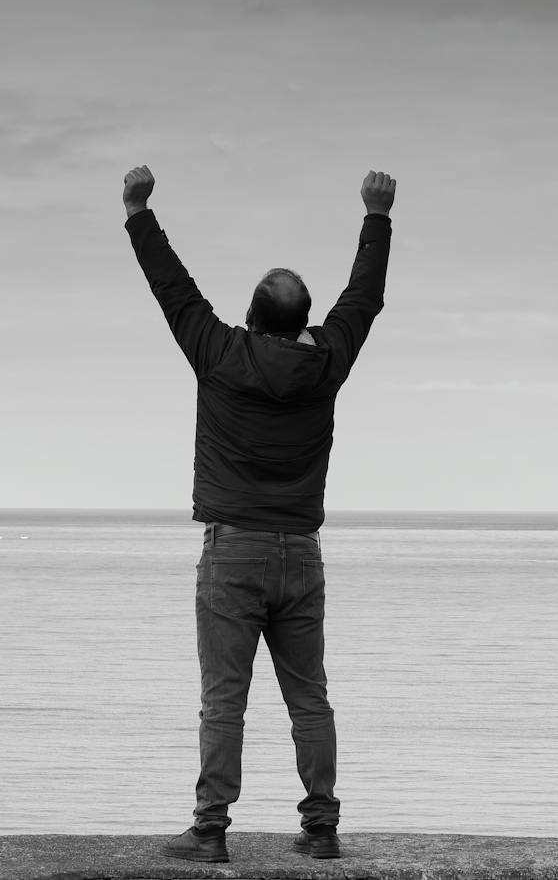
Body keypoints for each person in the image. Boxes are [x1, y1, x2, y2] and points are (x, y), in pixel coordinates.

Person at [121, 164, 396, 864]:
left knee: (223, 700)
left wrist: (138, 211)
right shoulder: (327, 359)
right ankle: (322, 827)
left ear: (249, 316)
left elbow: (172, 289)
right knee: (311, 698)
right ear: (305, 321)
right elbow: (363, 300)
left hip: (233, 550)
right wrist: (376, 217)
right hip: (299, 553)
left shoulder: (218, 352)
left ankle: (211, 829)